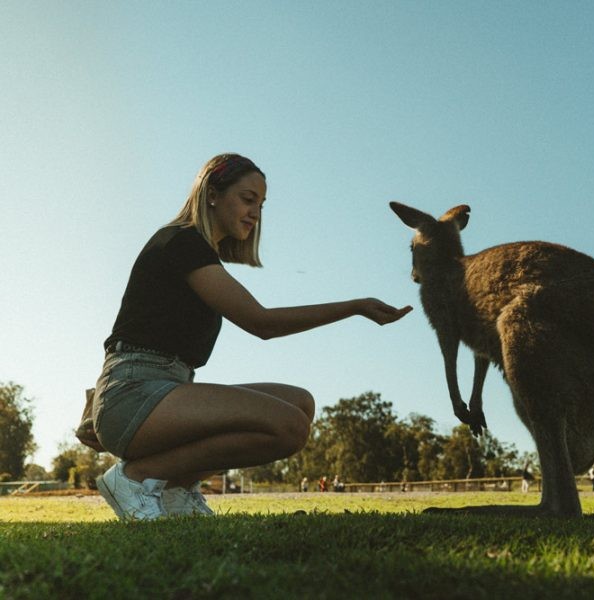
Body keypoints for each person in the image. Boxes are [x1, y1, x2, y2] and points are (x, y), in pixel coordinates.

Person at [90, 153, 411, 520]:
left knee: (301, 404)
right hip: (134, 394)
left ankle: (177, 488)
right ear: (212, 193)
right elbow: (262, 323)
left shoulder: (199, 254)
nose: (256, 213)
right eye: (247, 199)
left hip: (161, 388)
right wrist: (354, 307)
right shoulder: (181, 242)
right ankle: (136, 478)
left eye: (261, 204)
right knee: (288, 427)